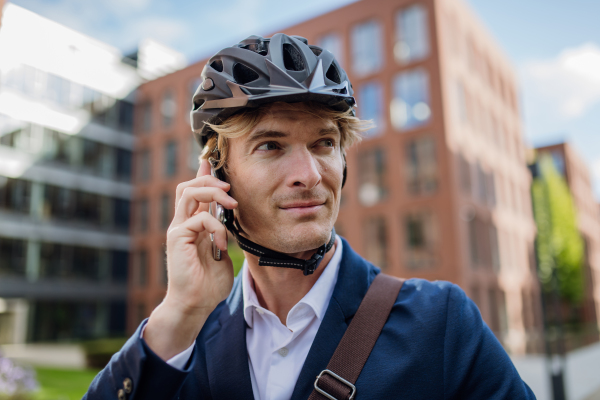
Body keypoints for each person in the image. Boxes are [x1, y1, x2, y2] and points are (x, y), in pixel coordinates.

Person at [84, 34, 535, 400]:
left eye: (323, 144)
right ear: (218, 174)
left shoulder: (441, 323)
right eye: (270, 146)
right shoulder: (183, 342)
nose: (308, 175)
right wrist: (179, 311)